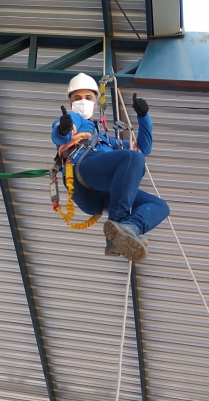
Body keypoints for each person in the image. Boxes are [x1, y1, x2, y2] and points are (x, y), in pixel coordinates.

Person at [51, 72, 169, 262]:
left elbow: (143, 149)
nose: (83, 101)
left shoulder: (107, 141)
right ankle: (118, 226)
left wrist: (143, 117)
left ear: (96, 103)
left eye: (88, 98)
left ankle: (130, 228)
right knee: (132, 159)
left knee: (159, 206)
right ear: (71, 102)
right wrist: (63, 129)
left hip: (104, 195)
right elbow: (61, 135)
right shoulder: (75, 119)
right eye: (77, 98)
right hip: (82, 172)